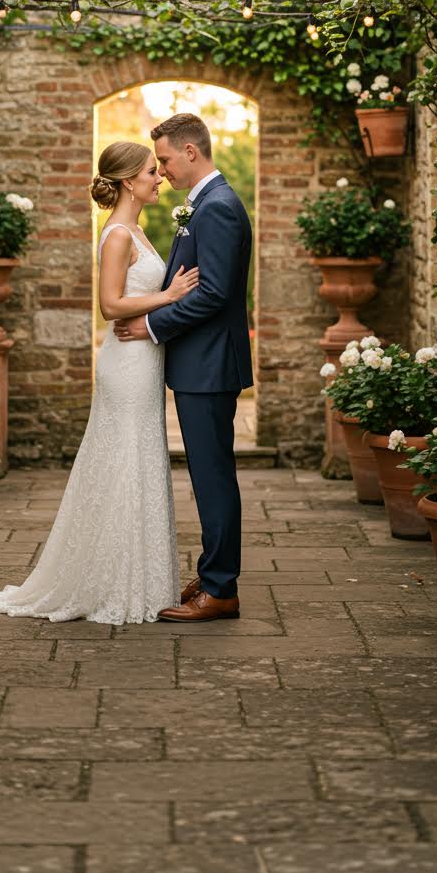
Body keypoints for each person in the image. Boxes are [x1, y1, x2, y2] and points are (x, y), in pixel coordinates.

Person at [0, 140, 197, 624]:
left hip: (143, 358)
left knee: (140, 457)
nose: (159, 177)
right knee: (126, 457)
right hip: (125, 362)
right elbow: (110, 305)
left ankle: (138, 577)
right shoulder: (118, 236)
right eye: (152, 171)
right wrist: (168, 295)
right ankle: (115, 583)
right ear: (129, 181)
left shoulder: (137, 230)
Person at [114, 112, 253, 623]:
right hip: (203, 363)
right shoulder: (206, 204)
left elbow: (213, 294)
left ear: (191, 152)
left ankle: (221, 589)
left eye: (167, 159)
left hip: (210, 363)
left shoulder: (216, 208)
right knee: (207, 474)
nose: (164, 170)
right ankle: (214, 572)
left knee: (212, 477)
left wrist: (151, 327)